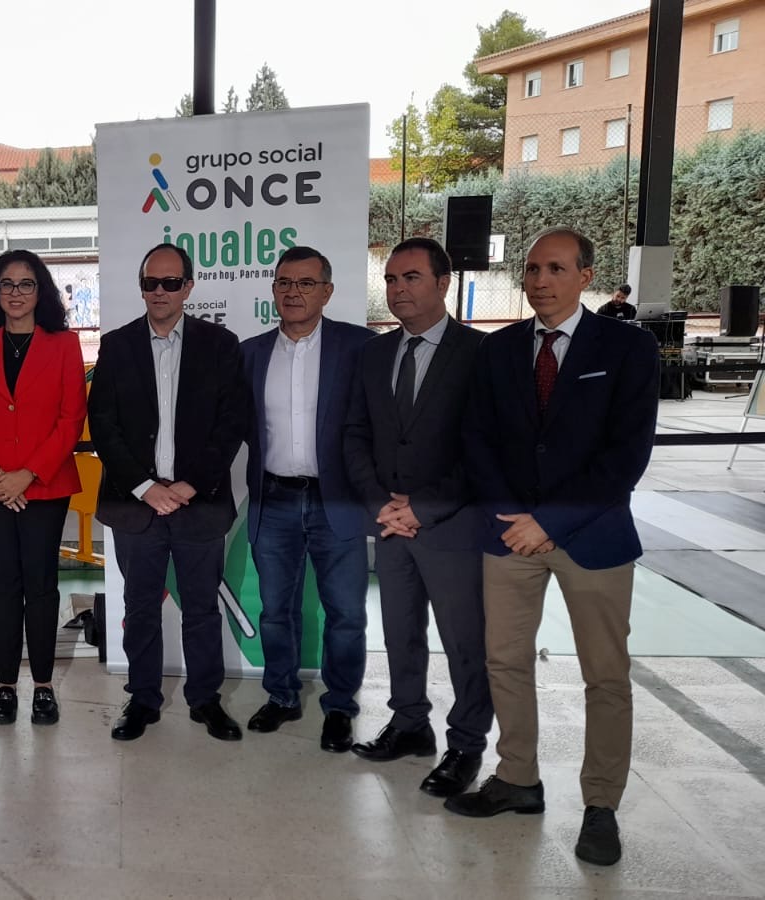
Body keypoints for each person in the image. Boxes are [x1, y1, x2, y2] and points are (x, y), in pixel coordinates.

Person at [448, 228, 658, 868]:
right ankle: (518, 779)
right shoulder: (500, 349)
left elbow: (626, 455)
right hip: (509, 530)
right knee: (505, 660)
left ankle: (601, 804)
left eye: (556, 268)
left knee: (605, 674)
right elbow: (476, 438)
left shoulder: (627, 347)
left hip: (592, 536)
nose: (540, 280)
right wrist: (513, 514)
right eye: (533, 268)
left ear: (585, 276)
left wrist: (550, 521)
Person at [341, 239, 493, 797]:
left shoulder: (481, 353)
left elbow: (485, 450)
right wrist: (380, 502)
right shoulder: (374, 353)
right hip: (389, 524)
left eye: (411, 278)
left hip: (450, 527)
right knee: (401, 633)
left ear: (443, 283)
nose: (398, 290)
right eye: (390, 279)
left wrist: (422, 507)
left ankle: (466, 745)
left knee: (464, 643)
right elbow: (355, 433)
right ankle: (410, 724)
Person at [88, 243, 251, 742]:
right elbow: (104, 424)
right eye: (150, 283)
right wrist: (144, 487)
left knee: (201, 607)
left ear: (188, 287)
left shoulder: (220, 345)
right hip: (135, 505)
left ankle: (205, 699)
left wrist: (186, 485)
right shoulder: (116, 346)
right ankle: (142, 700)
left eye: (170, 283)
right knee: (140, 608)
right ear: (141, 286)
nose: (159, 292)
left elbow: (231, 422)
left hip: (196, 503)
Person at [241, 246, 374, 752]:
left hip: (336, 501)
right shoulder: (250, 352)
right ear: (273, 290)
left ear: (327, 291)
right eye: (283, 283)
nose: (292, 292)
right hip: (272, 498)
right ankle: (281, 696)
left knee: (346, 613)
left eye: (304, 283)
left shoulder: (359, 347)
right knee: (276, 610)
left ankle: (340, 706)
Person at [0, 250, 87, 725]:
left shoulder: (65, 345)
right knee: (4, 586)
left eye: (26, 284)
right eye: (6, 284)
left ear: (41, 291)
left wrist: (27, 474)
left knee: (41, 585)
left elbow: (71, 419)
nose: (15, 293)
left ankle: (44, 686)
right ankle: (6, 684)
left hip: (44, 486)